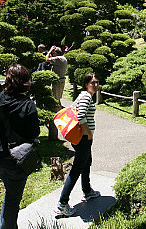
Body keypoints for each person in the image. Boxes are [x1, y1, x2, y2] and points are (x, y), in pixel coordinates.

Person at [0, 64, 40, 229]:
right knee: (13, 199)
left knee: (10, 194)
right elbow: (33, 133)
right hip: (18, 158)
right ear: (24, 82)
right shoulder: (27, 104)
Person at [56, 72, 101, 217]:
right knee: (77, 169)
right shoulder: (86, 96)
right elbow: (81, 116)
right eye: (92, 83)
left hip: (81, 138)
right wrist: (87, 133)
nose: (95, 85)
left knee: (87, 162)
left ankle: (87, 191)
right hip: (83, 138)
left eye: (97, 82)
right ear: (86, 84)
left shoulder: (83, 95)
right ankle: (62, 203)